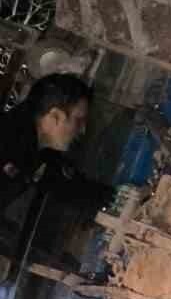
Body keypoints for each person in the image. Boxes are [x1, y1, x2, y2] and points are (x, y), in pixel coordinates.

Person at [0, 72, 106, 219]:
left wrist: (114, 200)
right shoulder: (8, 144)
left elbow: (68, 185)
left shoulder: (39, 141)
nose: (83, 130)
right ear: (55, 116)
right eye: (78, 120)